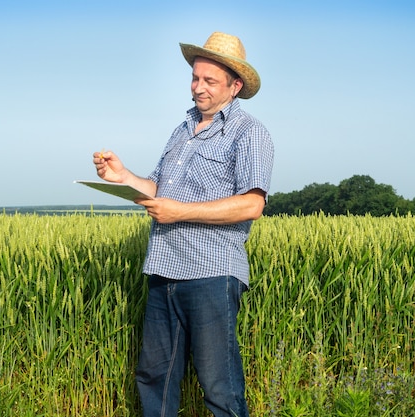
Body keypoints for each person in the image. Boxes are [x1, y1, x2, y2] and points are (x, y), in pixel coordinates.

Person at [92, 31, 274, 417]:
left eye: (210, 81)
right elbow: (158, 190)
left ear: (234, 85)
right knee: (154, 377)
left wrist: (181, 212)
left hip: (211, 274)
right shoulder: (181, 130)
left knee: (219, 386)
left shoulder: (249, 133)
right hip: (164, 271)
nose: (198, 87)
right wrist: (123, 176)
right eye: (195, 78)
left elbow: (252, 204)